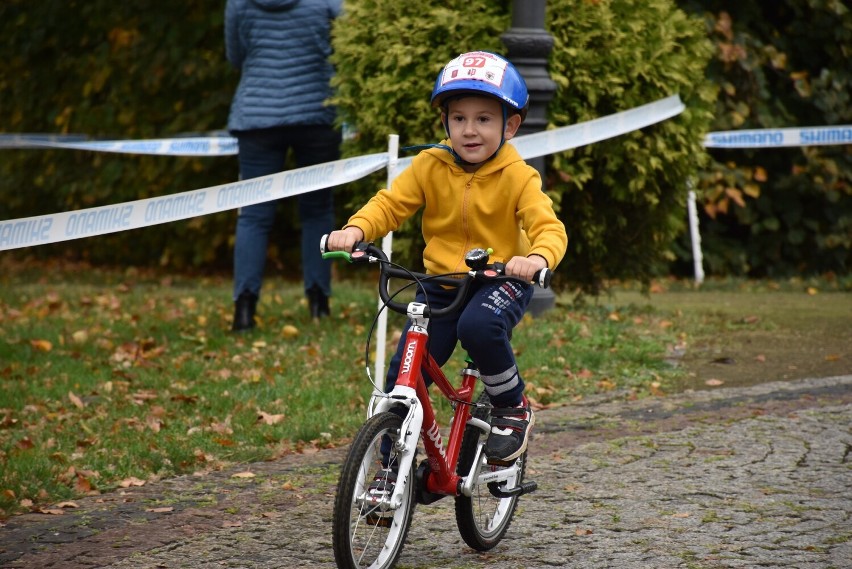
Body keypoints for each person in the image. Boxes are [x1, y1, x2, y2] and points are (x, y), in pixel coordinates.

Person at [325, 51, 568, 463]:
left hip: (502, 279)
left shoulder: (519, 176)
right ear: (445, 123)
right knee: (403, 374)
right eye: (458, 119)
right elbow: (390, 204)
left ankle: (512, 407)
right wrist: (355, 230)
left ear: (510, 125)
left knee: (479, 325)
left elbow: (549, 227)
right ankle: (387, 474)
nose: (469, 130)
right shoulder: (430, 165)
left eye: (484, 119)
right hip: (442, 283)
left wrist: (538, 258)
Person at [225, 0, 343, 331]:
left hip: (257, 117)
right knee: (317, 210)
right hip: (317, 112)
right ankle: (319, 303)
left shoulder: (238, 2)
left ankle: (244, 309)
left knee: (253, 215)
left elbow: (235, 56)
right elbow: (344, 47)